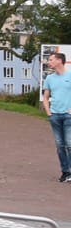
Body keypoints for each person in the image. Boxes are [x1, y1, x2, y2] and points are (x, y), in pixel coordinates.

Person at [42, 51, 71, 182]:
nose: (49, 62)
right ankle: (65, 172)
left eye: (51, 60)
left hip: (68, 115)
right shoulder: (49, 78)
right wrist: (49, 112)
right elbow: (46, 97)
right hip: (55, 115)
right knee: (60, 145)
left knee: (69, 144)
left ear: (59, 60)